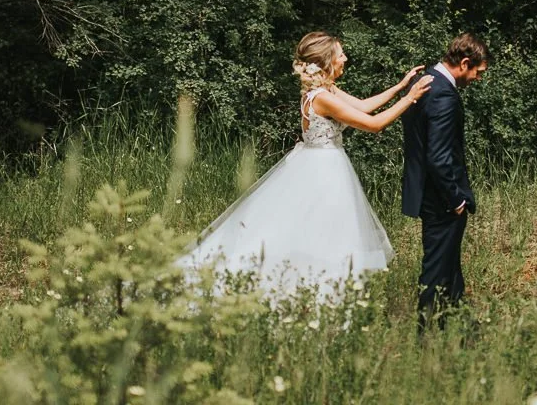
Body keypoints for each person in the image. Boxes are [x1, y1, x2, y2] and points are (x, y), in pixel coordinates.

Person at [180, 31, 433, 297]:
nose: (345, 58)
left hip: (324, 163)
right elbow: (373, 124)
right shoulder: (321, 98)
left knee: (324, 230)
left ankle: (320, 288)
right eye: (340, 54)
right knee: (319, 227)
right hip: (323, 170)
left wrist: (400, 87)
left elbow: (362, 106)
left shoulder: (326, 90)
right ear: (326, 61)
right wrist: (410, 97)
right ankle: (310, 288)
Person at [401, 32, 489, 332]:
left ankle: (466, 333)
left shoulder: (423, 82)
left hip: (427, 193)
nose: (478, 78)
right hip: (441, 199)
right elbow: (439, 158)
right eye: (478, 71)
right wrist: (457, 200)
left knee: (448, 266)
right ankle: (424, 337)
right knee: (436, 270)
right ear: (465, 63)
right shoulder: (444, 96)